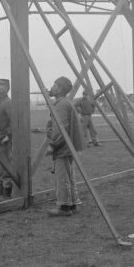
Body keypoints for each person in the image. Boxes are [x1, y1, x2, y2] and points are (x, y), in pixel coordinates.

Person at [46, 77, 85, 216]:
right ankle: (73, 204)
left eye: (55, 85)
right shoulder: (64, 102)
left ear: (60, 88)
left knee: (62, 177)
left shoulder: (61, 105)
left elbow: (60, 127)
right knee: (69, 177)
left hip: (63, 147)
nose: (52, 87)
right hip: (68, 146)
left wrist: (53, 145)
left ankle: (64, 207)